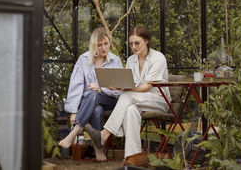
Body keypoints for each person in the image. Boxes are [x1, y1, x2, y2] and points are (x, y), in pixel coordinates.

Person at [85, 25, 171, 167]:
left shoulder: (158, 58)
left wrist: (125, 88)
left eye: (137, 43)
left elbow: (146, 87)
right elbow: (130, 84)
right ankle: (132, 162)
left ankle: (104, 134)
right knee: (130, 110)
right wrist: (118, 86)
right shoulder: (132, 60)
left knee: (127, 95)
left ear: (146, 41)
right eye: (131, 44)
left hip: (158, 100)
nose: (133, 46)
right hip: (137, 101)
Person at [58, 27, 122, 162]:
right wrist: (73, 111)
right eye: (100, 45)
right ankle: (99, 150)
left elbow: (118, 90)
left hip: (110, 101)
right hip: (89, 103)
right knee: (96, 109)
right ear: (94, 45)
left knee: (95, 94)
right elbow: (76, 85)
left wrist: (100, 89)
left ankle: (75, 130)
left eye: (106, 44)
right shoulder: (83, 59)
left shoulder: (115, 61)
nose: (104, 48)